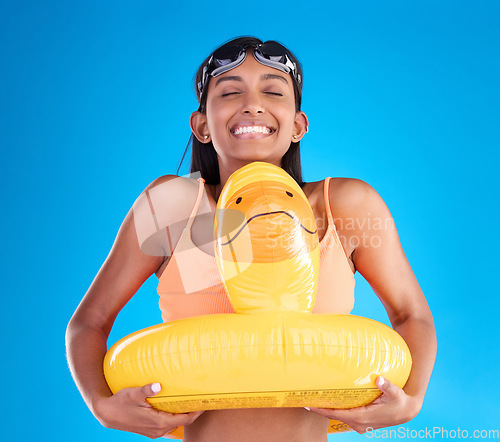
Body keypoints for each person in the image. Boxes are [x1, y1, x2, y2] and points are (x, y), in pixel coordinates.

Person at [66, 36, 437, 441]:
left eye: (272, 90)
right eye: (230, 91)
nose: (252, 103)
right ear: (201, 126)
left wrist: (412, 399)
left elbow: (411, 314)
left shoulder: (345, 207)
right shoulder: (172, 207)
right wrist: (102, 406)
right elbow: (89, 321)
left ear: (298, 125)